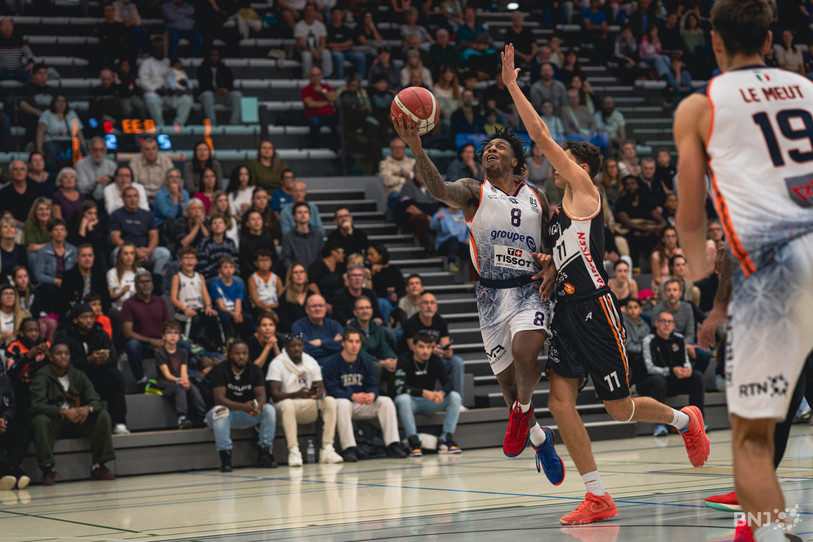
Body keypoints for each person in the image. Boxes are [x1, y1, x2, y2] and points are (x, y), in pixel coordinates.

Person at [502, 43, 708, 524]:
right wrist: (549, 268)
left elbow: (540, 134)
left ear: (581, 169)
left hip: (597, 309)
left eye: (562, 160)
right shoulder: (558, 214)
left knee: (618, 408)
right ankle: (597, 495)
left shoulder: (586, 191)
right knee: (559, 402)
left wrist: (513, 86)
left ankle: (685, 420)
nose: (553, 165)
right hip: (567, 313)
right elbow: (565, 255)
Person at [393, 93, 564, 480]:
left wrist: (552, 260)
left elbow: (555, 243)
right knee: (507, 384)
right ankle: (538, 435)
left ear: (517, 163)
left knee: (526, 354)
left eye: (499, 147)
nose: (490, 151)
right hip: (490, 296)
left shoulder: (538, 197)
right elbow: (439, 190)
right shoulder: (474, 190)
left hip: (527, 290)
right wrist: (418, 148)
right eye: (486, 147)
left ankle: (521, 417)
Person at [30, 342, 116, 485]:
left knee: (102, 415)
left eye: (66, 354)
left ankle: (99, 465)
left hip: (77, 421)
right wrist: (62, 412)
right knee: (40, 421)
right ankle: (47, 469)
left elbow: (95, 399)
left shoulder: (78, 375)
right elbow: (36, 405)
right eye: (59, 353)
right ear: (51, 357)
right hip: (55, 422)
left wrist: (87, 409)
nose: (63, 357)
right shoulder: (42, 376)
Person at [322, 328, 407, 462]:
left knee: (385, 401)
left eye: (357, 342)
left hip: (362, 404)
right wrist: (352, 396)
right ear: (343, 343)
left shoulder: (366, 362)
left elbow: (372, 385)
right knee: (342, 403)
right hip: (345, 405)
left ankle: (392, 444)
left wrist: (372, 394)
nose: (354, 345)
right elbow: (332, 390)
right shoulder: (331, 363)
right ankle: (348, 449)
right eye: (350, 341)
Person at [267, 333, 343, 466]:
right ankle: (294, 451)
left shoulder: (310, 361)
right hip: (283, 409)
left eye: (299, 345)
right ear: (286, 347)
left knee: (330, 400)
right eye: (293, 346)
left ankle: (327, 449)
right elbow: (275, 395)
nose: (297, 348)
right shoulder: (277, 363)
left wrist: (319, 392)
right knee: (287, 404)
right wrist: (296, 394)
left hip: (306, 404)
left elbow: (321, 387)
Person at [55, 303, 129, 435]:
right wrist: (87, 360)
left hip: (97, 376)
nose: (89, 320)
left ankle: (119, 422)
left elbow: (113, 359)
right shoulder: (64, 336)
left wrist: (100, 361)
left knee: (115, 376)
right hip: (73, 378)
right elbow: (60, 363)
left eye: (91, 317)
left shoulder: (100, 333)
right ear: (75, 320)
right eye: (84, 317)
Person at [204, 340, 277, 472]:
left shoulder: (254, 370)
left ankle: (265, 452)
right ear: (230, 355)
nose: (241, 356)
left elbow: (262, 396)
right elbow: (219, 399)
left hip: (245, 413)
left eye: (244, 353)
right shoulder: (220, 370)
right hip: (218, 416)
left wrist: (257, 407)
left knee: (269, 410)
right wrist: (243, 406)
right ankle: (225, 457)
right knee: (221, 411)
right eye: (237, 353)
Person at [388, 331, 462, 456]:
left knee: (455, 397)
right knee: (403, 399)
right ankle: (413, 441)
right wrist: (422, 393)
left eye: (429, 347)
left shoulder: (435, 359)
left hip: (429, 401)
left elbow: (448, 383)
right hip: (411, 402)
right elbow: (399, 388)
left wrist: (442, 393)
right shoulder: (404, 359)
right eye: (421, 347)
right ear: (414, 347)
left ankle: (445, 440)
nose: (425, 351)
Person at [639, 310, 705, 437]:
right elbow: (650, 368)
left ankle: (697, 423)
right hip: (649, 383)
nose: (666, 324)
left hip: (672, 381)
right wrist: (671, 371)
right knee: (658, 380)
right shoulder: (649, 340)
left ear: (674, 325)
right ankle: (659, 425)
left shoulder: (679, 339)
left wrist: (687, 370)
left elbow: (686, 362)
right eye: (663, 321)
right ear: (657, 323)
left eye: (670, 322)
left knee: (697, 376)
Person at [109, 186, 171, 287]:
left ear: (139, 198)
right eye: (129, 197)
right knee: (117, 253)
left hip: (145, 254)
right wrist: (135, 251)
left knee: (164, 253)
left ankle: (156, 282)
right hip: (127, 252)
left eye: (135, 196)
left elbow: (154, 237)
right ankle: (120, 283)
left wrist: (148, 251)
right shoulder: (116, 215)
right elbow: (115, 239)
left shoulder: (147, 215)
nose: (132, 199)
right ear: (123, 199)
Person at [121, 269, 170, 387]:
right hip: (142, 345)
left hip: (160, 342)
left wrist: (163, 341)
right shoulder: (129, 304)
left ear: (152, 283)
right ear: (136, 285)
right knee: (132, 345)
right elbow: (127, 332)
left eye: (148, 281)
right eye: (141, 282)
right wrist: (151, 341)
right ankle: (141, 380)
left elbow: (168, 325)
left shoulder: (160, 301)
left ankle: (176, 378)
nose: (145, 284)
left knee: (183, 345)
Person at [170, 247, 223, 350]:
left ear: (196, 261)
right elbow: (173, 299)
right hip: (184, 311)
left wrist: (208, 306)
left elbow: (205, 294)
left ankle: (220, 346)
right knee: (193, 318)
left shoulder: (200, 276)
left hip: (199, 309)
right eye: (186, 258)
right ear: (181, 262)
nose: (189, 260)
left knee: (213, 316)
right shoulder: (177, 277)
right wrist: (185, 309)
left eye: (191, 258)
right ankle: (188, 346)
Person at [155, 320, 205, 428]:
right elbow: (166, 374)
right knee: (180, 388)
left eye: (176, 333)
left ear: (179, 336)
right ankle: (182, 418)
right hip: (165, 381)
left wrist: (185, 380)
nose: (173, 336)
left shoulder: (183, 352)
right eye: (169, 333)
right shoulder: (160, 353)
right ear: (163, 336)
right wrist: (179, 381)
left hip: (180, 379)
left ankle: (202, 415)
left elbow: (183, 370)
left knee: (193, 387)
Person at [138, 41, 193, 126]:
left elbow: (177, 75)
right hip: (153, 93)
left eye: (162, 49)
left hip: (169, 94)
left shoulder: (168, 62)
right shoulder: (147, 63)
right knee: (152, 101)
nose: (160, 51)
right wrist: (155, 89)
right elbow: (143, 81)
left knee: (186, 100)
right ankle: (160, 126)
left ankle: (178, 125)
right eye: (157, 49)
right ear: (153, 50)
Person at [36, 94, 86, 170]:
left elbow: (78, 132)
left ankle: (74, 173)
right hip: (51, 141)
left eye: (63, 101)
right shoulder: (47, 114)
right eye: (58, 101)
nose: (61, 104)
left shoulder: (71, 114)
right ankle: (53, 174)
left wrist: (84, 147)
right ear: (54, 103)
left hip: (69, 141)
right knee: (52, 151)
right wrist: (39, 149)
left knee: (77, 150)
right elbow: (40, 132)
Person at [210, 256, 253, 340]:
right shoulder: (215, 285)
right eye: (225, 267)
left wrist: (237, 313)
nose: (228, 270)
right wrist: (233, 314)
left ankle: (247, 340)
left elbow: (238, 302)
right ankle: (225, 341)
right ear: (220, 270)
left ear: (234, 270)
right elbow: (221, 306)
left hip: (235, 310)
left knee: (248, 317)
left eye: (231, 267)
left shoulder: (238, 284)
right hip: (223, 311)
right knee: (226, 316)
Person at [292, 294, 343, 364]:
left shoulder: (334, 325)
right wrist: (332, 344)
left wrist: (321, 343)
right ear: (307, 309)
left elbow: (343, 346)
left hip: (334, 366)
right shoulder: (298, 326)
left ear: (325, 308)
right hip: (310, 367)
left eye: (321, 305)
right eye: (314, 306)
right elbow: (305, 350)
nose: (318, 309)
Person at [196, 48, 242, 126]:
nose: (214, 58)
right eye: (212, 55)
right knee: (207, 94)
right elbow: (203, 85)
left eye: (216, 55)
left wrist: (225, 89)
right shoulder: (201, 69)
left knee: (237, 95)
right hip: (210, 95)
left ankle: (234, 122)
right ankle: (212, 123)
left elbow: (230, 85)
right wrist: (215, 90)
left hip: (223, 95)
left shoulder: (226, 69)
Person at [281, 202, 324, 271]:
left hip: (316, 275)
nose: (303, 214)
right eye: (299, 212)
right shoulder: (288, 236)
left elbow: (321, 257)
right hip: (296, 275)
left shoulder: (318, 235)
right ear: (294, 216)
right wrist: (295, 272)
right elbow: (286, 259)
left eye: (306, 212)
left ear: (309, 215)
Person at [379, 138, 415, 220]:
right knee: (396, 197)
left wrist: (400, 175)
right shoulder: (384, 164)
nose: (398, 150)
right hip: (395, 194)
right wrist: (407, 176)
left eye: (400, 148)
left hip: (412, 192)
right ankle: (399, 225)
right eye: (395, 148)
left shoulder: (412, 162)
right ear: (391, 149)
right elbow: (387, 180)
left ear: (404, 149)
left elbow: (418, 178)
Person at [301, 66, 338, 149]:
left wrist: (322, 91)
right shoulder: (305, 89)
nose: (315, 77)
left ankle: (335, 146)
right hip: (314, 115)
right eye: (313, 75)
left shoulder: (327, 87)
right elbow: (311, 104)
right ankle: (315, 147)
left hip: (329, 115)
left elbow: (334, 99)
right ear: (309, 77)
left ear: (321, 76)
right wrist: (328, 102)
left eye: (317, 75)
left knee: (338, 120)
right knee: (314, 122)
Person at [295, 2, 332, 79]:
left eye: (312, 10)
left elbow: (323, 43)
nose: (310, 13)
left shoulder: (321, 25)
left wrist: (318, 51)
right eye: (308, 10)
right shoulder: (299, 26)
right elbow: (301, 45)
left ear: (315, 12)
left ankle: (326, 77)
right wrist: (313, 52)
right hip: (304, 51)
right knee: (307, 55)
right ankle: (307, 77)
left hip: (318, 49)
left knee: (326, 53)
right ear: (304, 12)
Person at [75, 137, 116, 202]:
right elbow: (82, 189)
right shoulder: (81, 164)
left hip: (107, 199)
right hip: (86, 200)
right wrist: (95, 182)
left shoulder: (112, 165)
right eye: (95, 149)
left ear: (105, 151)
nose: (98, 153)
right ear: (90, 150)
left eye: (101, 150)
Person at [0, 160, 39, 226]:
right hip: (13, 227)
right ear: (10, 173)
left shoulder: (35, 190)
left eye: (22, 169)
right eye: (15, 169)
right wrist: (21, 225)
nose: (19, 171)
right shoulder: (4, 192)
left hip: (34, 225)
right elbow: (4, 215)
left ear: (26, 172)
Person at [247, 249, 282, 321]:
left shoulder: (276, 278)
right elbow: (256, 302)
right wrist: (270, 311)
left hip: (275, 305)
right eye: (261, 260)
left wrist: (273, 306)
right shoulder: (252, 279)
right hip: (260, 308)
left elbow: (281, 298)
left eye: (267, 260)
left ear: (271, 262)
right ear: (256, 263)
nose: (264, 263)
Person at [277, 263, 313, 332]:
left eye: (302, 272)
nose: (299, 275)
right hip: (291, 332)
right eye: (295, 272)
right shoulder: (285, 296)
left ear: (306, 275)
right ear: (291, 276)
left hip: (310, 331)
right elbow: (283, 322)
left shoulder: (311, 294)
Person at [0, 216, 25, 280]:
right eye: (5, 227)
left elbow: (25, 270)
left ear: (15, 231)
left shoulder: (21, 249)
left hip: (18, 283)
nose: (9, 229)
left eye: (12, 227)